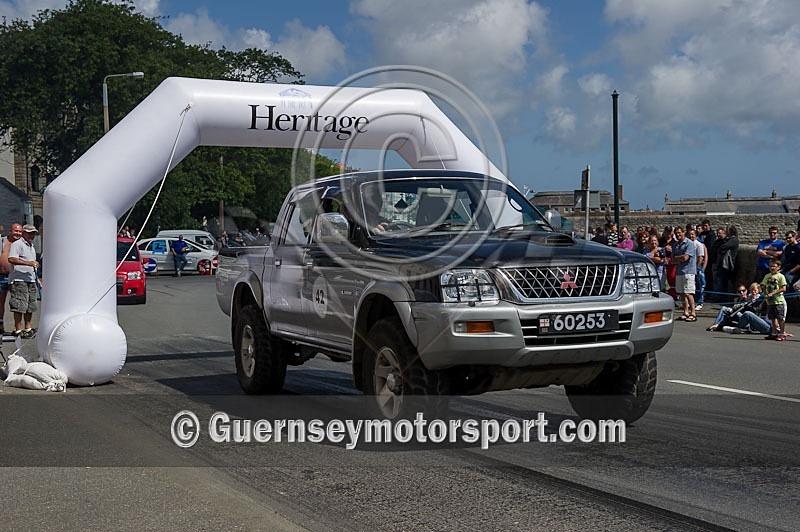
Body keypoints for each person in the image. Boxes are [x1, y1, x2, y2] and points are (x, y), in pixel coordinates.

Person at [7, 224, 40, 338]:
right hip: (19, 279)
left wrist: (37, 279)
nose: (32, 235)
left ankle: (28, 328)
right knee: (19, 305)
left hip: (30, 279)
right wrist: (29, 263)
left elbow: (32, 263)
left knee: (30, 305)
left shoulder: (31, 246)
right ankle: (18, 329)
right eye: (30, 233)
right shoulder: (17, 244)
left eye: (33, 233)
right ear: (24, 233)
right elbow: (11, 259)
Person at [0, 223, 23, 336]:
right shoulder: (3, 241)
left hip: (16, 276)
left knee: (17, 303)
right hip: (2, 276)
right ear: (10, 231)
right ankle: (0, 324)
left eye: (20, 232)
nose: (18, 233)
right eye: (16, 231)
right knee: (0, 302)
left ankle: (17, 327)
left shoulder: (21, 244)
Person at [671, 227, 697, 321]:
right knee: (682, 293)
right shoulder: (675, 245)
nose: (678, 235)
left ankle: (693, 313)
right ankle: (685, 312)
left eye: (679, 233)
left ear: (683, 233)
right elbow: (672, 260)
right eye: (676, 233)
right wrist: (679, 257)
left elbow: (685, 258)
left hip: (688, 271)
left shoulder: (689, 243)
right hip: (679, 271)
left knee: (688, 293)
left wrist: (678, 258)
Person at [761, 258, 787, 341]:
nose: (772, 268)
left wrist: (773, 293)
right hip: (770, 301)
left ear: (778, 267)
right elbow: (763, 285)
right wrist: (765, 293)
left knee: (780, 318)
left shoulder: (781, 276)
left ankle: (781, 334)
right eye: (770, 266)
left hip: (778, 300)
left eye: (774, 266)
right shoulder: (767, 276)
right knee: (773, 318)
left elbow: (783, 288)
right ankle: (774, 333)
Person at [714, 225, 739, 298]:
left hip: (729, 264)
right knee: (722, 282)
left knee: (727, 282)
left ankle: (725, 297)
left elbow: (723, 246)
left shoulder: (733, 240)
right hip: (723, 264)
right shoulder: (729, 239)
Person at [688, 229, 707, 310]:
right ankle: (693, 302)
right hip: (690, 267)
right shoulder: (689, 244)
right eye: (690, 234)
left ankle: (700, 302)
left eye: (693, 234)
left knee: (699, 285)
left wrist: (696, 267)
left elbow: (701, 257)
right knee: (692, 286)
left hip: (697, 268)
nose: (691, 236)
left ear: (696, 235)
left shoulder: (698, 244)